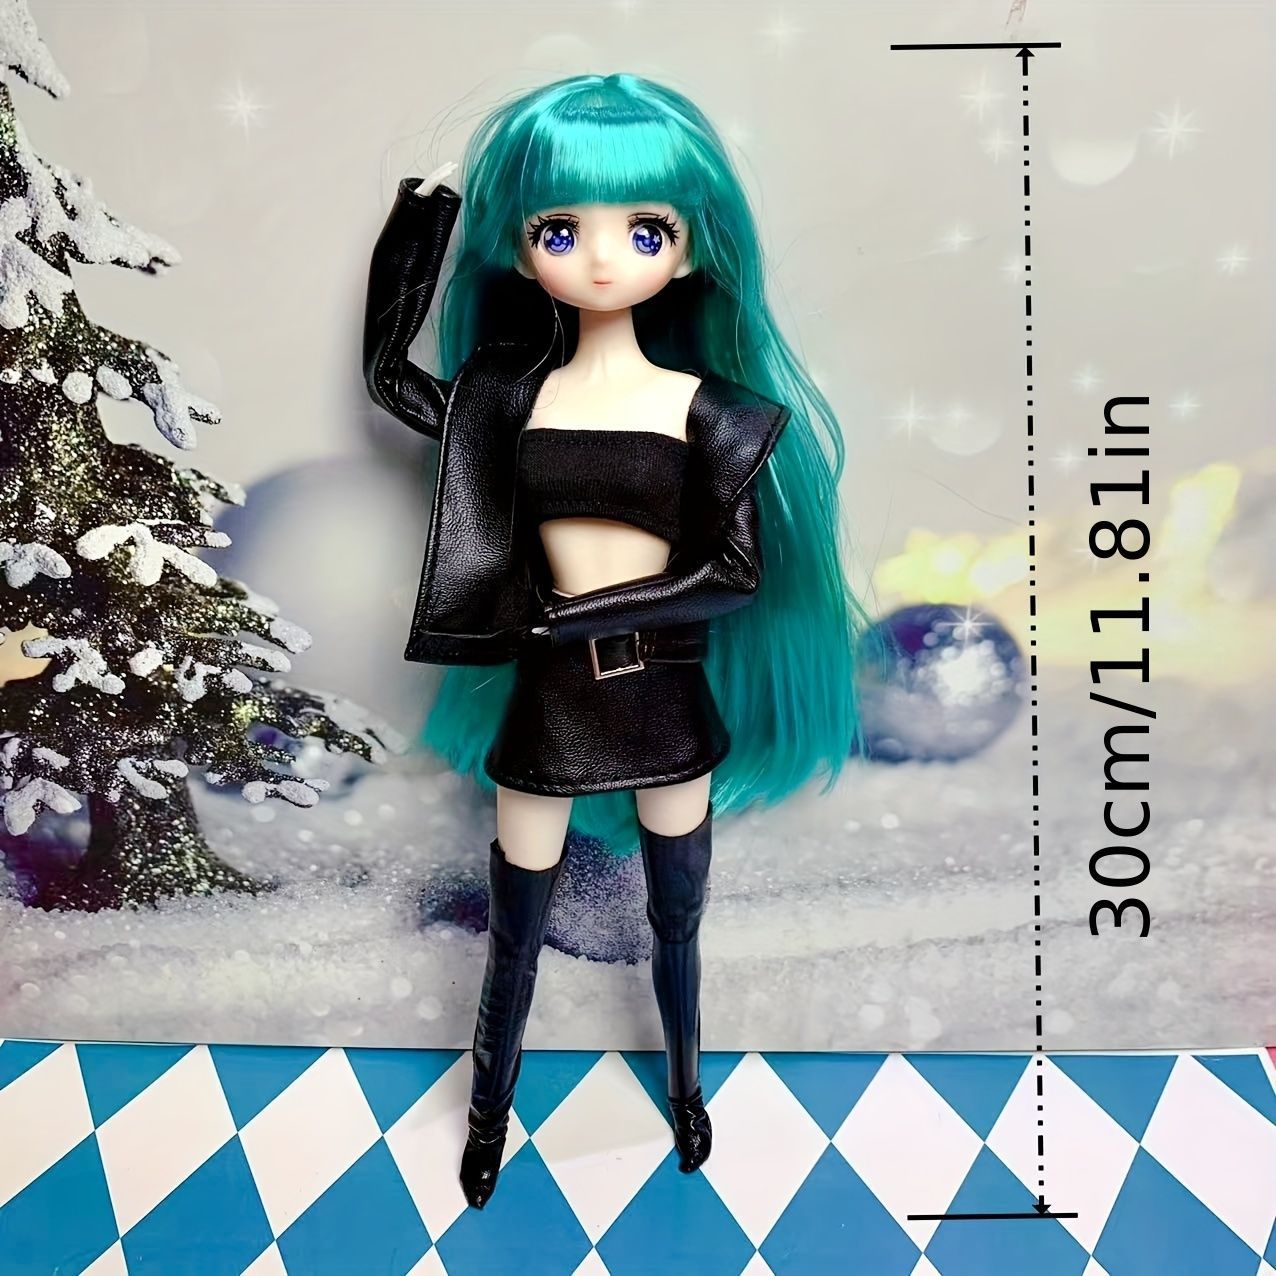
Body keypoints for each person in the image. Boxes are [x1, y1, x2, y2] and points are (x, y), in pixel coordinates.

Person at [363, 72, 869, 1210]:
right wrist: (420, 224)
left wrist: (579, 615)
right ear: (520, 248)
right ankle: (487, 1117)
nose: (600, 260)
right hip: (550, 705)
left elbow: (730, 577)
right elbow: (387, 377)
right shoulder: (505, 401)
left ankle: (687, 1091)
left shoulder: (712, 411)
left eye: (643, 231)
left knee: (676, 924)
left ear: (687, 252)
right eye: (560, 230)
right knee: (514, 931)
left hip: (664, 703)